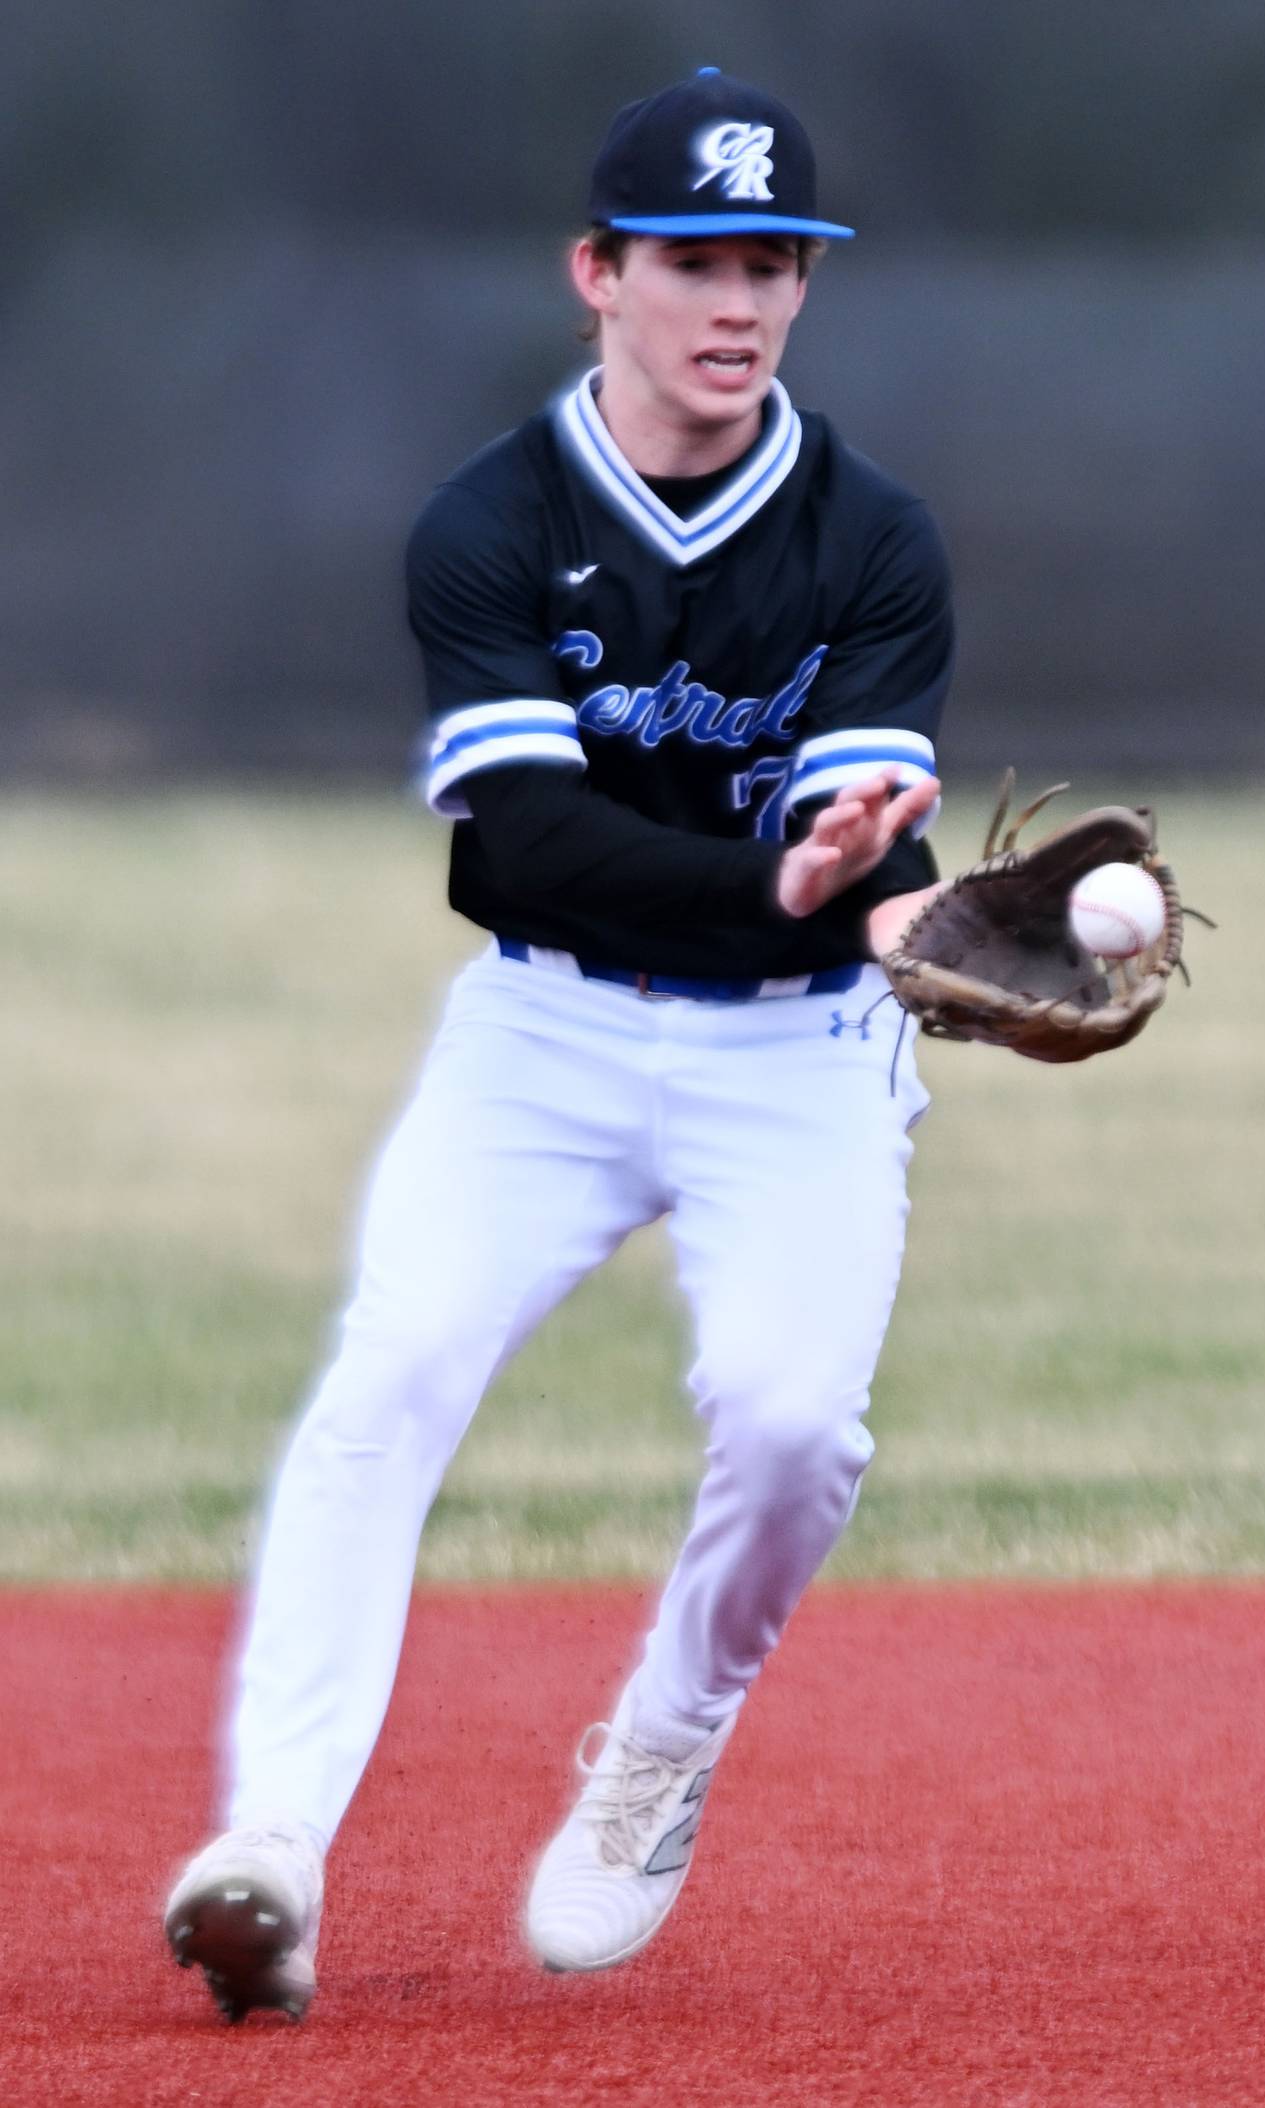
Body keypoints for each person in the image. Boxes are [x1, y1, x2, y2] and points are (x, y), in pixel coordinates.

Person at [164, 65, 954, 2022]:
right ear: (596, 271)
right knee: (392, 1371)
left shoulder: (871, 537)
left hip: (800, 1053)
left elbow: (861, 831)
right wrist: (801, 889)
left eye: (775, 261)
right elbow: (527, 833)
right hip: (541, 1036)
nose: (739, 299)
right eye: (695, 255)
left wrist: (878, 889)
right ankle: (270, 1844)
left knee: (792, 1429)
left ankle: (663, 1743)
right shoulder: (490, 524)